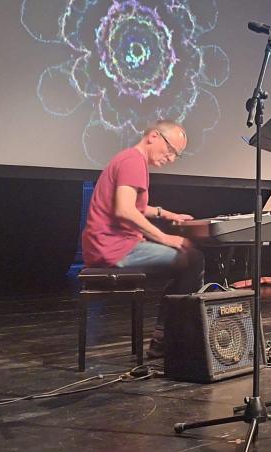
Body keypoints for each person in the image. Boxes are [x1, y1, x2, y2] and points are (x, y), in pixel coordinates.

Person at [82, 120, 204, 357]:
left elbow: (135, 205)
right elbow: (125, 210)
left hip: (109, 246)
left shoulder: (129, 159)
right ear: (154, 137)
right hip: (114, 249)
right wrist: (164, 238)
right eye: (171, 151)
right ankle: (170, 338)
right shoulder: (133, 161)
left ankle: (166, 335)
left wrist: (166, 214)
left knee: (186, 262)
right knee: (193, 259)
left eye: (175, 155)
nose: (170, 159)